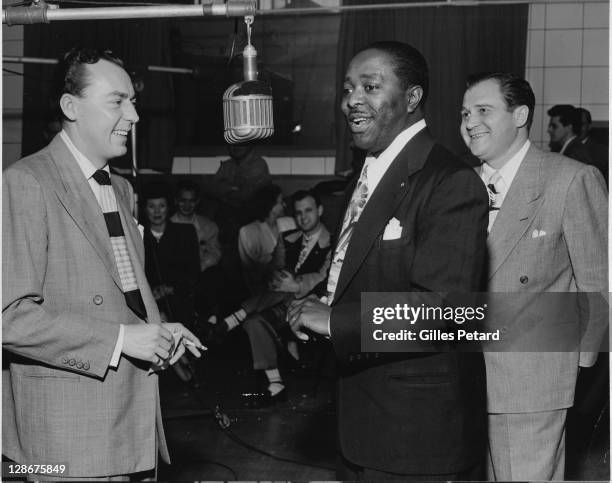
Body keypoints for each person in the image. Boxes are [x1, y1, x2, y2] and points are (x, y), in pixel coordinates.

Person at [288, 41, 489, 480]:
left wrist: (335, 322)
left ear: (413, 98)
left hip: (415, 432)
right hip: (364, 421)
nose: (351, 100)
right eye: (347, 88)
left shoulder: (450, 181)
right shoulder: (363, 175)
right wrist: (317, 317)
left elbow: (444, 310)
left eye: (370, 86)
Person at [2, 47, 204, 480]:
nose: (133, 115)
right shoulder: (26, 182)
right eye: (117, 101)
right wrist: (120, 341)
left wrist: (156, 331)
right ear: (70, 107)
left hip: (131, 421)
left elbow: (122, 294)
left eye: (133, 101)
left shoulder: (122, 190)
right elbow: (9, 318)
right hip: (65, 435)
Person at [461, 72, 608, 480]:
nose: (470, 122)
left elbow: (597, 280)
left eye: (483, 110)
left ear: (521, 114)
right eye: (464, 113)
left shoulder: (570, 179)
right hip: (465, 377)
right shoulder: (461, 186)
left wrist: (575, 366)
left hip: (533, 379)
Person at [240, 190, 332, 401]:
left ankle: (235, 315)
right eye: (298, 212)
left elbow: (324, 278)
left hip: (310, 304)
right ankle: (276, 382)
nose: (303, 217)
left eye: (308, 210)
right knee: (253, 323)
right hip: (278, 303)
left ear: (320, 210)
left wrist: (295, 284)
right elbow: (273, 271)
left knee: (256, 314)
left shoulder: (333, 242)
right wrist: (279, 280)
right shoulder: (287, 238)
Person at [143, 182, 200, 327]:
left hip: (178, 298)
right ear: (145, 209)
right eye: (151, 206)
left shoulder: (186, 232)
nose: (157, 211)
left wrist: (170, 288)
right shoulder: (138, 235)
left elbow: (194, 273)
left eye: (161, 206)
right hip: (148, 300)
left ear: (168, 208)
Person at [170, 179, 224, 316]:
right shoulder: (167, 225)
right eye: (183, 200)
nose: (187, 205)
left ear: (197, 201)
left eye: (191, 201)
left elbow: (215, 254)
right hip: (174, 277)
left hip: (201, 276)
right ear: (176, 200)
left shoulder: (209, 226)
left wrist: (197, 268)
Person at [576, 107, 608, 183]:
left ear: (589, 126)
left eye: (582, 124)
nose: (578, 128)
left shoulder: (602, 151)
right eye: (576, 124)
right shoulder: (562, 147)